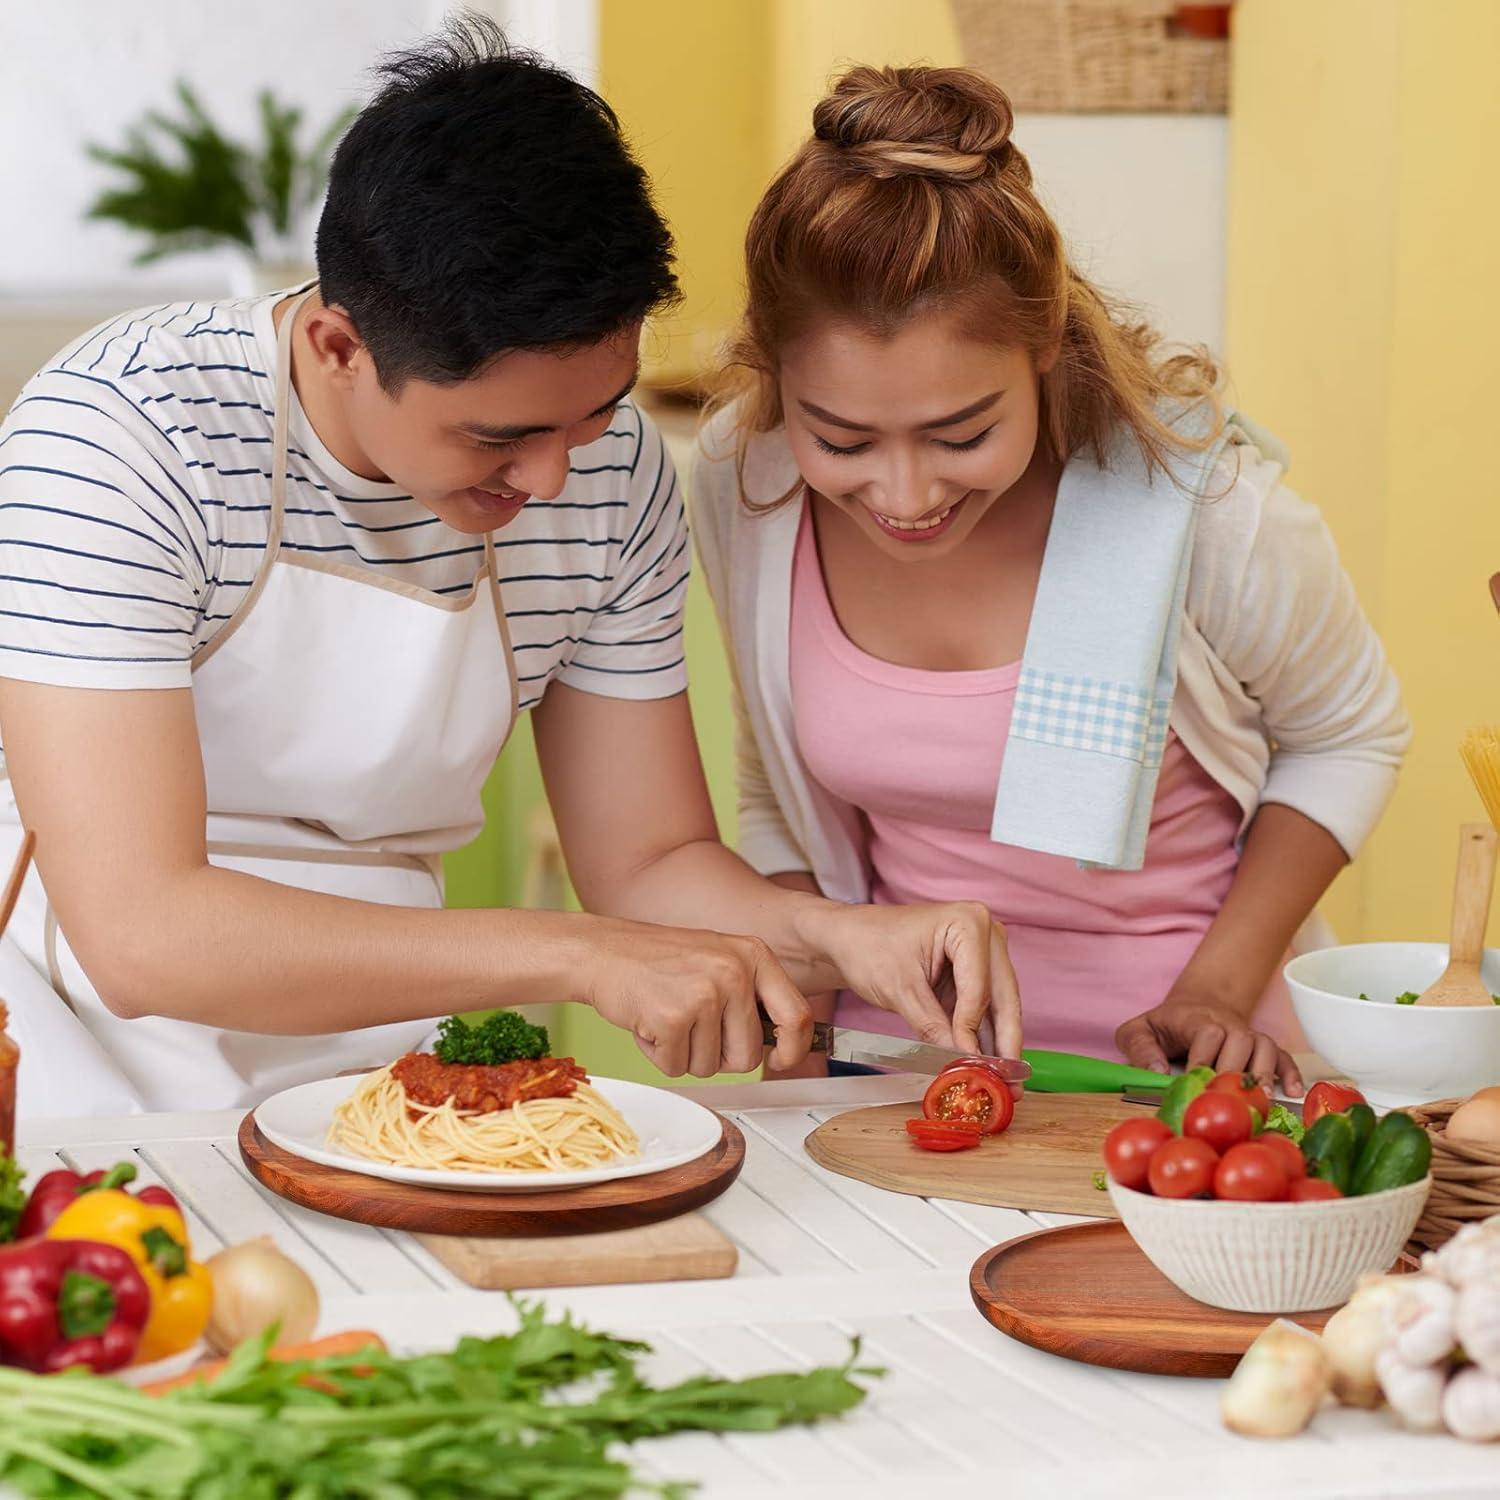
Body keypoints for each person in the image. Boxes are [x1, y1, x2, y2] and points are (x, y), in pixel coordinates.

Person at [0, 25, 1019, 1118]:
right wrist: (584, 958)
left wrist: (843, 936)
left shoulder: (610, 471)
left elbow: (648, 858)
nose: (547, 478)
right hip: (79, 1063)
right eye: (498, 436)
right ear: (342, 348)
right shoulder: (122, 439)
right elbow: (145, 935)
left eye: (591, 413)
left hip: (387, 1068)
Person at [693, 64, 1411, 1092]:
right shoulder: (747, 480)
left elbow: (1350, 735)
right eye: (842, 437)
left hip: (1188, 1080)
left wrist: (1217, 989)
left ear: (1042, 348)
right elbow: (776, 782)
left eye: (961, 432)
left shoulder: (1198, 509)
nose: (905, 494)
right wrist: (807, 980)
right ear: (775, 379)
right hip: (894, 1067)